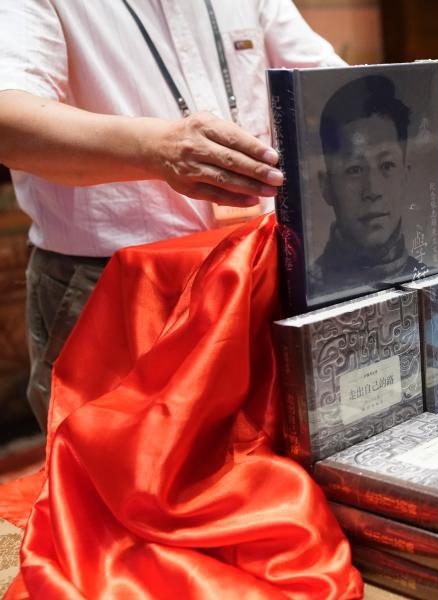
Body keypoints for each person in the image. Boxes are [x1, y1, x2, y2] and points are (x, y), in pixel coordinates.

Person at [0, 0, 345, 430]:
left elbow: (330, 86)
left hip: (252, 266)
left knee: (255, 452)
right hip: (111, 285)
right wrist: (154, 148)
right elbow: (8, 121)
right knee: (116, 458)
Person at [309, 74, 425, 300]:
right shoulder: (309, 293)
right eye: (354, 169)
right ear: (326, 185)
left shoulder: (432, 278)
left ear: (405, 174)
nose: (373, 190)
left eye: (387, 165)